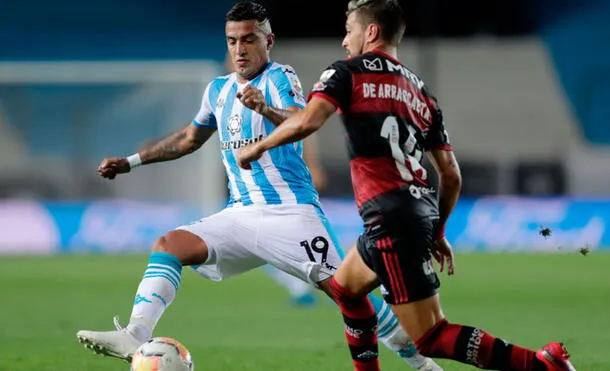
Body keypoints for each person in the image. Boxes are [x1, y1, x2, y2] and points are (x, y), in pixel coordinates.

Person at [75, 2, 442, 370]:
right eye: (232, 40)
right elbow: (189, 138)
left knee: (348, 293)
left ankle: (423, 365)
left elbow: (302, 119)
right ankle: (137, 333)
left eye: (249, 39)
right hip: (241, 214)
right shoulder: (217, 90)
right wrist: (132, 161)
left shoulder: (281, 78)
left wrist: (265, 108)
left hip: (291, 214)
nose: (239, 49)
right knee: (169, 245)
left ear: (269, 41)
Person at [237, 1, 577, 370]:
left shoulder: (346, 73)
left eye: (349, 30)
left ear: (371, 32)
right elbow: (451, 174)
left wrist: (259, 146)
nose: (343, 41)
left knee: (431, 336)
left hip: (388, 217)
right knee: (346, 290)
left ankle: (542, 365)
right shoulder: (421, 92)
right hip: (412, 211)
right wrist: (438, 229)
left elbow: (307, 122)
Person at [226, 52, 323, 307]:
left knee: (295, 246)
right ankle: (303, 287)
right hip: (250, 191)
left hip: (285, 189)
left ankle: (331, 283)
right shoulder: (226, 94)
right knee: (265, 246)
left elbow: (300, 127)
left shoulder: (270, 90)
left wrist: (312, 165)